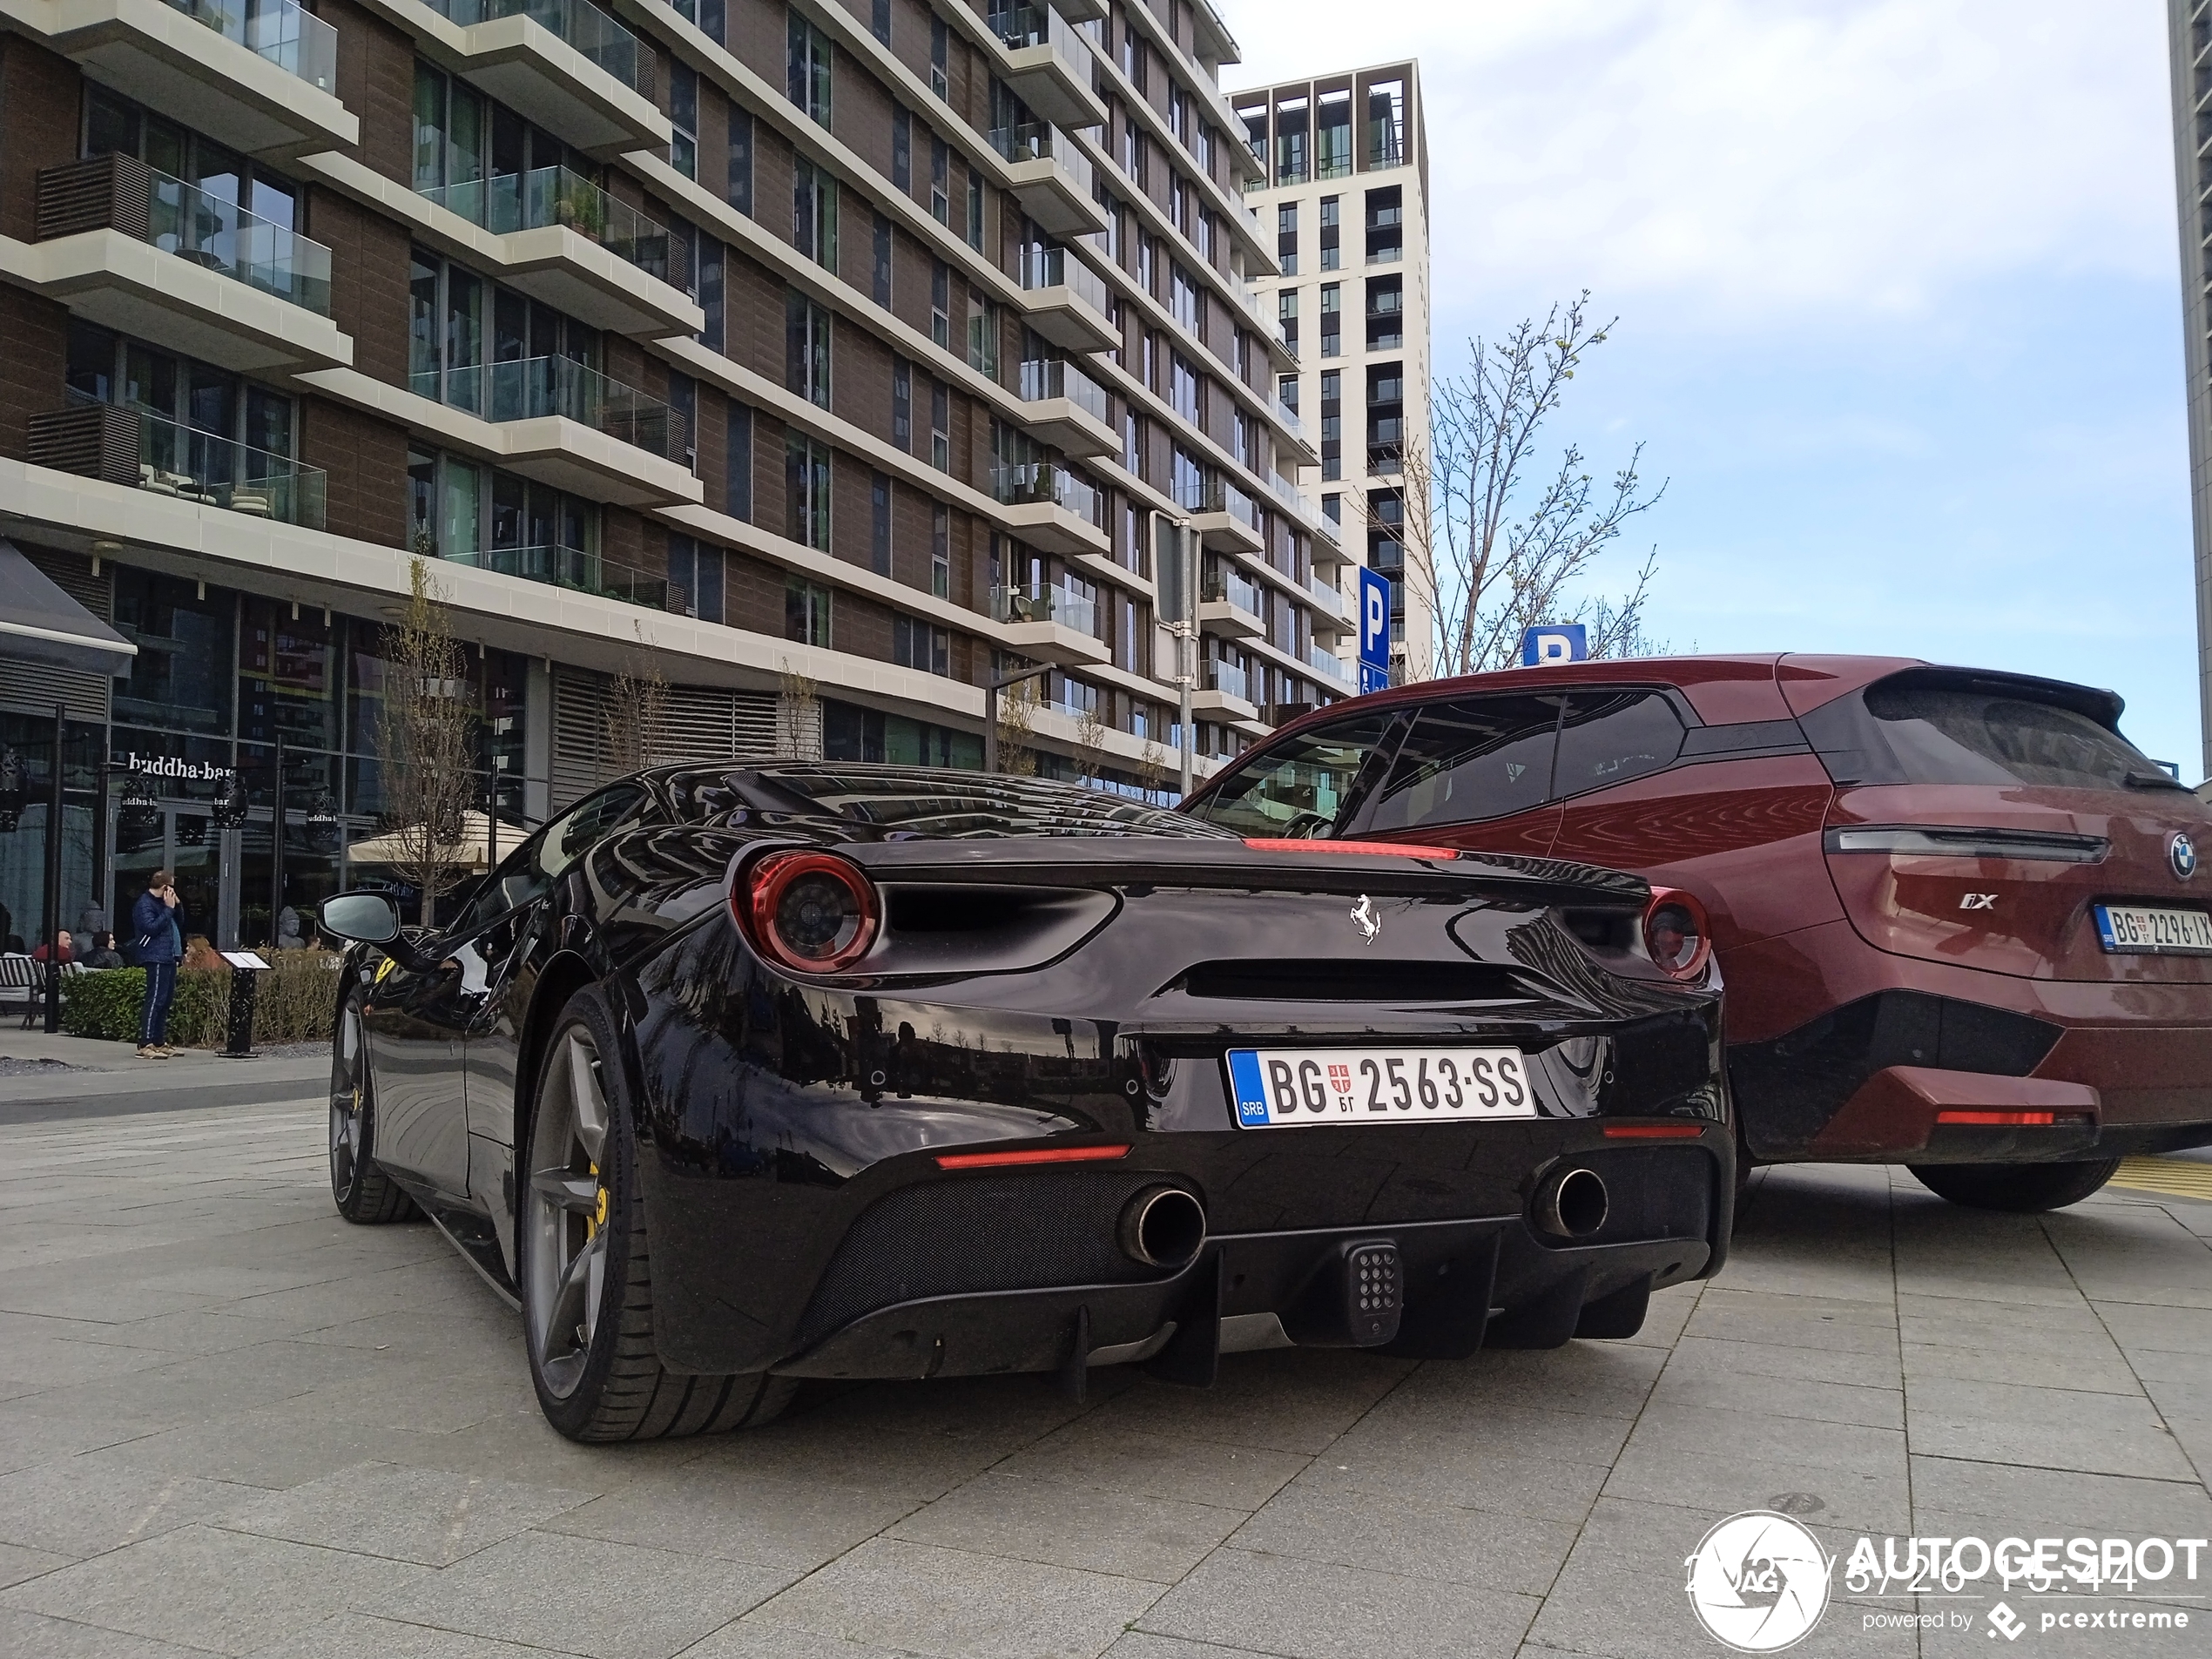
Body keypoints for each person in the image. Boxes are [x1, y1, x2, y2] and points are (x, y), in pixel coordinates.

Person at [128, 872, 182, 1059]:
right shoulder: (144, 904)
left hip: (168, 955)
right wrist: (168, 909)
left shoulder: (164, 904)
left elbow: (179, 923)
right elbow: (151, 928)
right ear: (165, 887)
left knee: (166, 1000)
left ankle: (159, 1041)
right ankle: (146, 1042)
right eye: (172, 887)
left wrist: (177, 906)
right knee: (155, 999)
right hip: (155, 955)